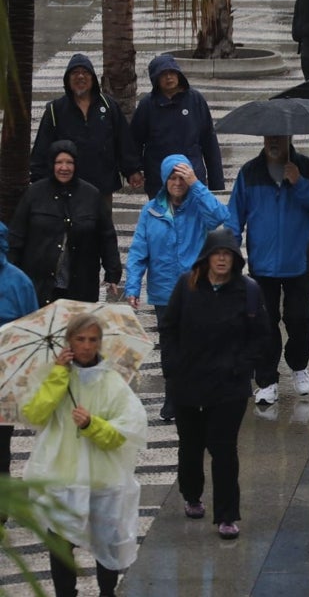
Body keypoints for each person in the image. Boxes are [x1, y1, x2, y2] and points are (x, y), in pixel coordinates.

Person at [22, 312, 148, 596]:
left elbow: (127, 431)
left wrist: (93, 425)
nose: (87, 346)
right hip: (61, 475)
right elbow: (35, 414)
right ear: (68, 342)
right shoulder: (53, 376)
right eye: (80, 339)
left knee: (106, 541)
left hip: (103, 479)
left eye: (93, 339)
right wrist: (57, 377)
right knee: (61, 544)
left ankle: (107, 592)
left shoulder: (112, 382)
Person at [161, 227, 270, 540]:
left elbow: (261, 335)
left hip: (228, 387)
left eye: (227, 254)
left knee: (224, 450)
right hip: (188, 383)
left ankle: (226, 515)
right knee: (191, 445)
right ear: (207, 258)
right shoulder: (187, 286)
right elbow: (169, 328)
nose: (222, 259)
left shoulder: (248, 291)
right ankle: (192, 494)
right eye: (217, 254)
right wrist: (172, 366)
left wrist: (242, 367)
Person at [228, 136, 309, 405]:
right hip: (262, 265)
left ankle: (298, 365)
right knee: (264, 322)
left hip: (298, 262)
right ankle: (266, 380)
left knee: (299, 318)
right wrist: (229, 252)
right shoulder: (249, 172)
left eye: (279, 137)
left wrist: (299, 182)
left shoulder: (308, 168)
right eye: (270, 136)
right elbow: (234, 215)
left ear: (288, 138)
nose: (274, 142)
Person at [124, 155, 229, 420]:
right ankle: (174, 396)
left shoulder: (198, 207)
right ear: (164, 180)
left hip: (196, 291)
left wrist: (197, 184)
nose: (178, 182)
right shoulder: (150, 212)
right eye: (173, 177)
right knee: (171, 350)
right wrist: (133, 286)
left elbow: (220, 216)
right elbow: (138, 252)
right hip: (163, 294)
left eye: (182, 177)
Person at [9, 141, 122, 306]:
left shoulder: (91, 195)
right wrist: (11, 271)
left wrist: (113, 272)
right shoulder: (34, 194)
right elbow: (16, 235)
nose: (64, 167)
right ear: (51, 164)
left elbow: (106, 236)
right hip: (39, 283)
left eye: (69, 162)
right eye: (59, 162)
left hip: (81, 284)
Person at [30, 53, 144, 204]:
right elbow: (42, 148)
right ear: (67, 79)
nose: (80, 77)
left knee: (103, 226)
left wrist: (132, 170)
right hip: (67, 187)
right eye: (75, 73)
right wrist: (38, 181)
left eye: (85, 73)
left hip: (102, 185)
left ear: (93, 79)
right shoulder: (55, 109)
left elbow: (123, 141)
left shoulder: (109, 106)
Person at [130, 54, 224, 198]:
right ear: (155, 79)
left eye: (172, 73)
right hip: (159, 180)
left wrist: (217, 183)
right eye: (163, 74)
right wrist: (134, 170)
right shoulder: (147, 105)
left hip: (192, 177)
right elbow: (134, 141)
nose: (169, 77)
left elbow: (209, 142)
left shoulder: (195, 100)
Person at [0, 221, 36, 479]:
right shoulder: (19, 280)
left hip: (5, 376)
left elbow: (33, 331)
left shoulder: (18, 282)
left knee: (1, 446)